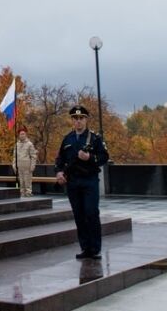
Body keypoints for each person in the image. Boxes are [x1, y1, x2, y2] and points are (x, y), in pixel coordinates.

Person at [54, 105, 109, 259]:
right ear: (72, 120)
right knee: (79, 215)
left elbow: (104, 157)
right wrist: (58, 172)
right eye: (75, 118)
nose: (78, 121)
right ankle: (85, 247)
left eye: (81, 118)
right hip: (73, 182)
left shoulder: (94, 138)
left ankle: (95, 248)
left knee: (91, 212)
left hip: (89, 181)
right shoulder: (67, 139)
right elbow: (60, 159)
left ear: (86, 119)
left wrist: (90, 158)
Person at [13, 128, 38, 198]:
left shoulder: (29, 144)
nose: (22, 135)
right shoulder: (17, 144)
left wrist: (32, 166)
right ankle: (22, 196)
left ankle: (28, 195)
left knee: (27, 183)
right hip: (19, 167)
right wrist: (14, 165)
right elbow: (14, 156)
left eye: (23, 134)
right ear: (18, 135)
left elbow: (33, 156)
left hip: (27, 167)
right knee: (21, 183)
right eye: (21, 134)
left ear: (26, 134)